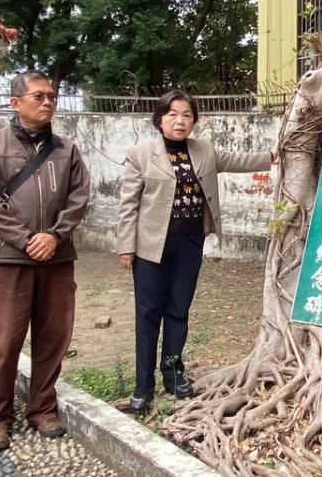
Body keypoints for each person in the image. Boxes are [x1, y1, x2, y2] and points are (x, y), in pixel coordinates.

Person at [117, 89, 275, 412]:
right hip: (150, 247)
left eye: (186, 115)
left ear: (194, 121)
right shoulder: (140, 153)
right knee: (148, 315)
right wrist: (126, 247)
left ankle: (174, 374)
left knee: (178, 310)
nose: (180, 120)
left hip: (190, 242)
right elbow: (128, 204)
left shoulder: (204, 150)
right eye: (172, 114)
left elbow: (238, 160)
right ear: (160, 119)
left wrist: (272, 155)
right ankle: (142, 385)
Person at [0, 71, 91, 451]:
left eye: (51, 96)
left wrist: (54, 236)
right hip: (8, 260)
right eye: (38, 96)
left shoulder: (66, 149)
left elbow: (79, 197)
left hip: (57, 259)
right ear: (16, 102)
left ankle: (42, 408)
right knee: (3, 342)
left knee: (53, 338)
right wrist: (25, 239)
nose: (47, 102)